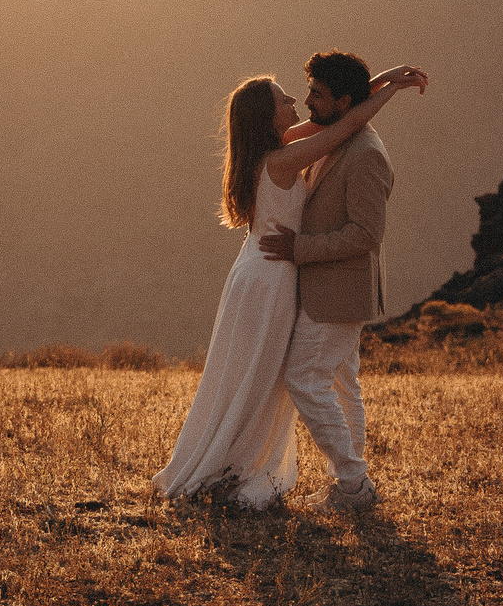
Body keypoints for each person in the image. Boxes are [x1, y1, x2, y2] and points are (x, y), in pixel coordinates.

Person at [155, 58, 426, 508]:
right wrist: (393, 86)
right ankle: (327, 476)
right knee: (263, 375)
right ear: (269, 116)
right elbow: (349, 120)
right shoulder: (283, 158)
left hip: (261, 272)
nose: (295, 102)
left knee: (262, 374)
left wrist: (384, 79)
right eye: (284, 100)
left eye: (302, 94)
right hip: (270, 277)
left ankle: (335, 477)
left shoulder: (274, 147)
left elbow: (348, 111)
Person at [257, 49, 397, 512]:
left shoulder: (366, 156)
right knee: (342, 383)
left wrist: (299, 249)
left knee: (303, 377)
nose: (308, 101)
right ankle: (351, 485)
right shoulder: (338, 135)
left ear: (343, 101)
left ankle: (354, 484)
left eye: (317, 94)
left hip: (337, 293)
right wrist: (387, 82)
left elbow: (365, 235)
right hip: (327, 290)